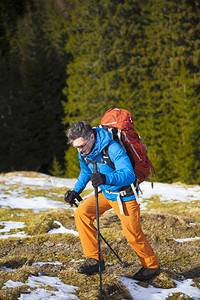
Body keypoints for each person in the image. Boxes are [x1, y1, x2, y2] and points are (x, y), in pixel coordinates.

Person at [65, 121, 160, 281]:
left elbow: (129, 175)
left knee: (133, 235)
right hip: (106, 193)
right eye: (77, 147)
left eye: (81, 145)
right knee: (81, 214)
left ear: (92, 137)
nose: (80, 150)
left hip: (125, 196)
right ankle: (95, 260)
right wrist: (76, 190)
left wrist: (105, 178)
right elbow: (85, 170)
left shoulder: (113, 148)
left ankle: (151, 266)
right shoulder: (84, 151)